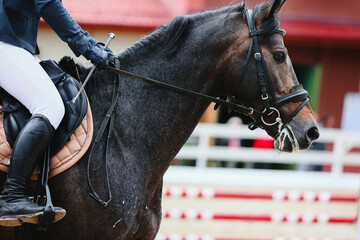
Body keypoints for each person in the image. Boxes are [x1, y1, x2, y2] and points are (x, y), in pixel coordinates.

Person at [0, 0, 113, 227]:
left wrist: (89, 41)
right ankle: (12, 196)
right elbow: (48, 4)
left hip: (14, 42)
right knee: (49, 106)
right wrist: (86, 47)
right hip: (5, 42)